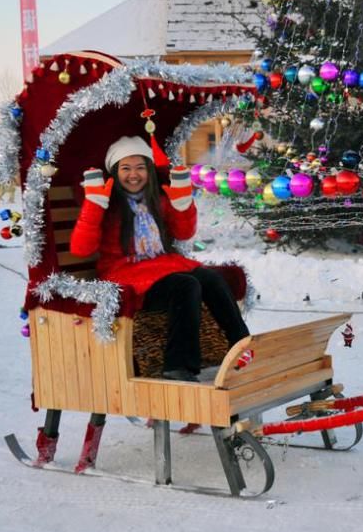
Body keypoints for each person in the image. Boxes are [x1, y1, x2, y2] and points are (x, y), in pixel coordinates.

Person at [69, 136, 249, 381]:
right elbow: (81, 249)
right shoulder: (108, 204)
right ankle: (178, 365)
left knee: (211, 278)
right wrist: (94, 204)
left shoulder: (158, 200)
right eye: (126, 168)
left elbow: (184, 233)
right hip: (125, 274)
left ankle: (242, 346)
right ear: (115, 171)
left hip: (160, 267)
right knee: (186, 286)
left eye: (140, 167)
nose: (134, 175)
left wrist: (183, 203)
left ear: (149, 171)